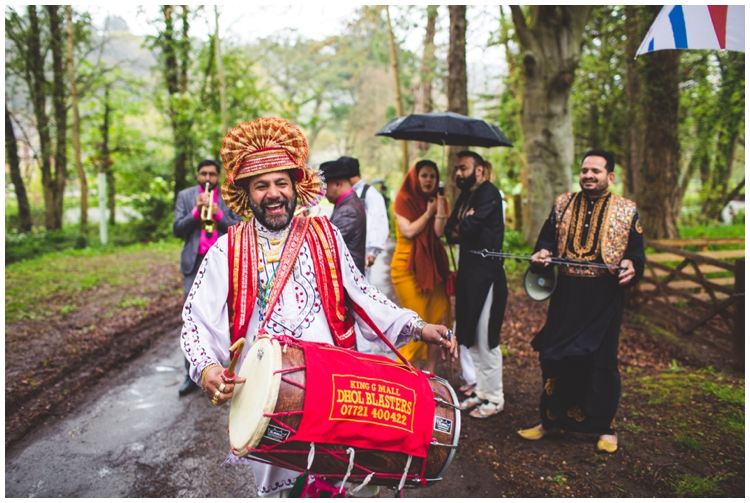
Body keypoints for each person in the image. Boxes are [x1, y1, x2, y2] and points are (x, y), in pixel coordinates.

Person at [180, 117, 457, 497]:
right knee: (282, 490)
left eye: (281, 183)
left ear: (297, 187)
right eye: (261, 186)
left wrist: (417, 327)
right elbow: (196, 322)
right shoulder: (227, 251)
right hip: (267, 399)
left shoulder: (324, 235)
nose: (273, 193)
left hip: (334, 391)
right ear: (246, 192)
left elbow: (363, 296)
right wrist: (209, 368)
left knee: (332, 482)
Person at [518, 149, 645, 453]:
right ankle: (549, 421)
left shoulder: (627, 210)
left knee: (600, 361)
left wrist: (632, 265)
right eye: (585, 170)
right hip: (567, 294)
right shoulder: (562, 204)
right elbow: (545, 243)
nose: (588, 175)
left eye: (596, 171)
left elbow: (637, 255)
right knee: (553, 356)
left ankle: (605, 428)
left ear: (609, 177)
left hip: (604, 298)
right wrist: (542, 256)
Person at [445, 151, 508, 419]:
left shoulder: (488, 193)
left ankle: (495, 397)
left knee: (486, 338)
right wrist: (461, 225)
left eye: (464, 168)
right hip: (468, 275)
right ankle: (481, 391)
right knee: (469, 336)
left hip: (488, 276)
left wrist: (462, 226)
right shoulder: (466, 195)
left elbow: (467, 229)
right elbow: (450, 230)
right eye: (457, 169)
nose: (458, 173)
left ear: (479, 169)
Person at [173, 159, 242, 396]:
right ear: (197, 175)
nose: (208, 178)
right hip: (194, 264)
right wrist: (196, 212)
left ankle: (224, 370)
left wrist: (218, 214)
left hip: (223, 266)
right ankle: (191, 374)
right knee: (192, 319)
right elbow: (177, 229)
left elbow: (238, 226)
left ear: (218, 175)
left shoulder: (227, 195)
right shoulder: (186, 196)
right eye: (203, 174)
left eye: (212, 174)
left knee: (225, 316)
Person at [390, 160, 452, 374]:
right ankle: (413, 374)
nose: (428, 180)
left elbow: (438, 232)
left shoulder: (438, 200)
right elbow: (408, 231)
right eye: (424, 175)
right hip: (407, 269)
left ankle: (431, 373)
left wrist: (440, 207)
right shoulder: (403, 199)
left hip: (433, 269)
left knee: (435, 318)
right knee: (414, 322)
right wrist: (428, 212)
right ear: (415, 178)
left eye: (432, 177)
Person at [341, 156, 390, 281]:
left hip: (362, 252)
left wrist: (372, 253)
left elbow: (378, 222)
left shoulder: (370, 194)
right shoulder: (349, 192)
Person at [319, 158, 367, 274]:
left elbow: (326, 245)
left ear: (337, 184)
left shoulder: (348, 210)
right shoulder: (348, 203)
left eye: (325, 187)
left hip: (348, 280)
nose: (324, 194)